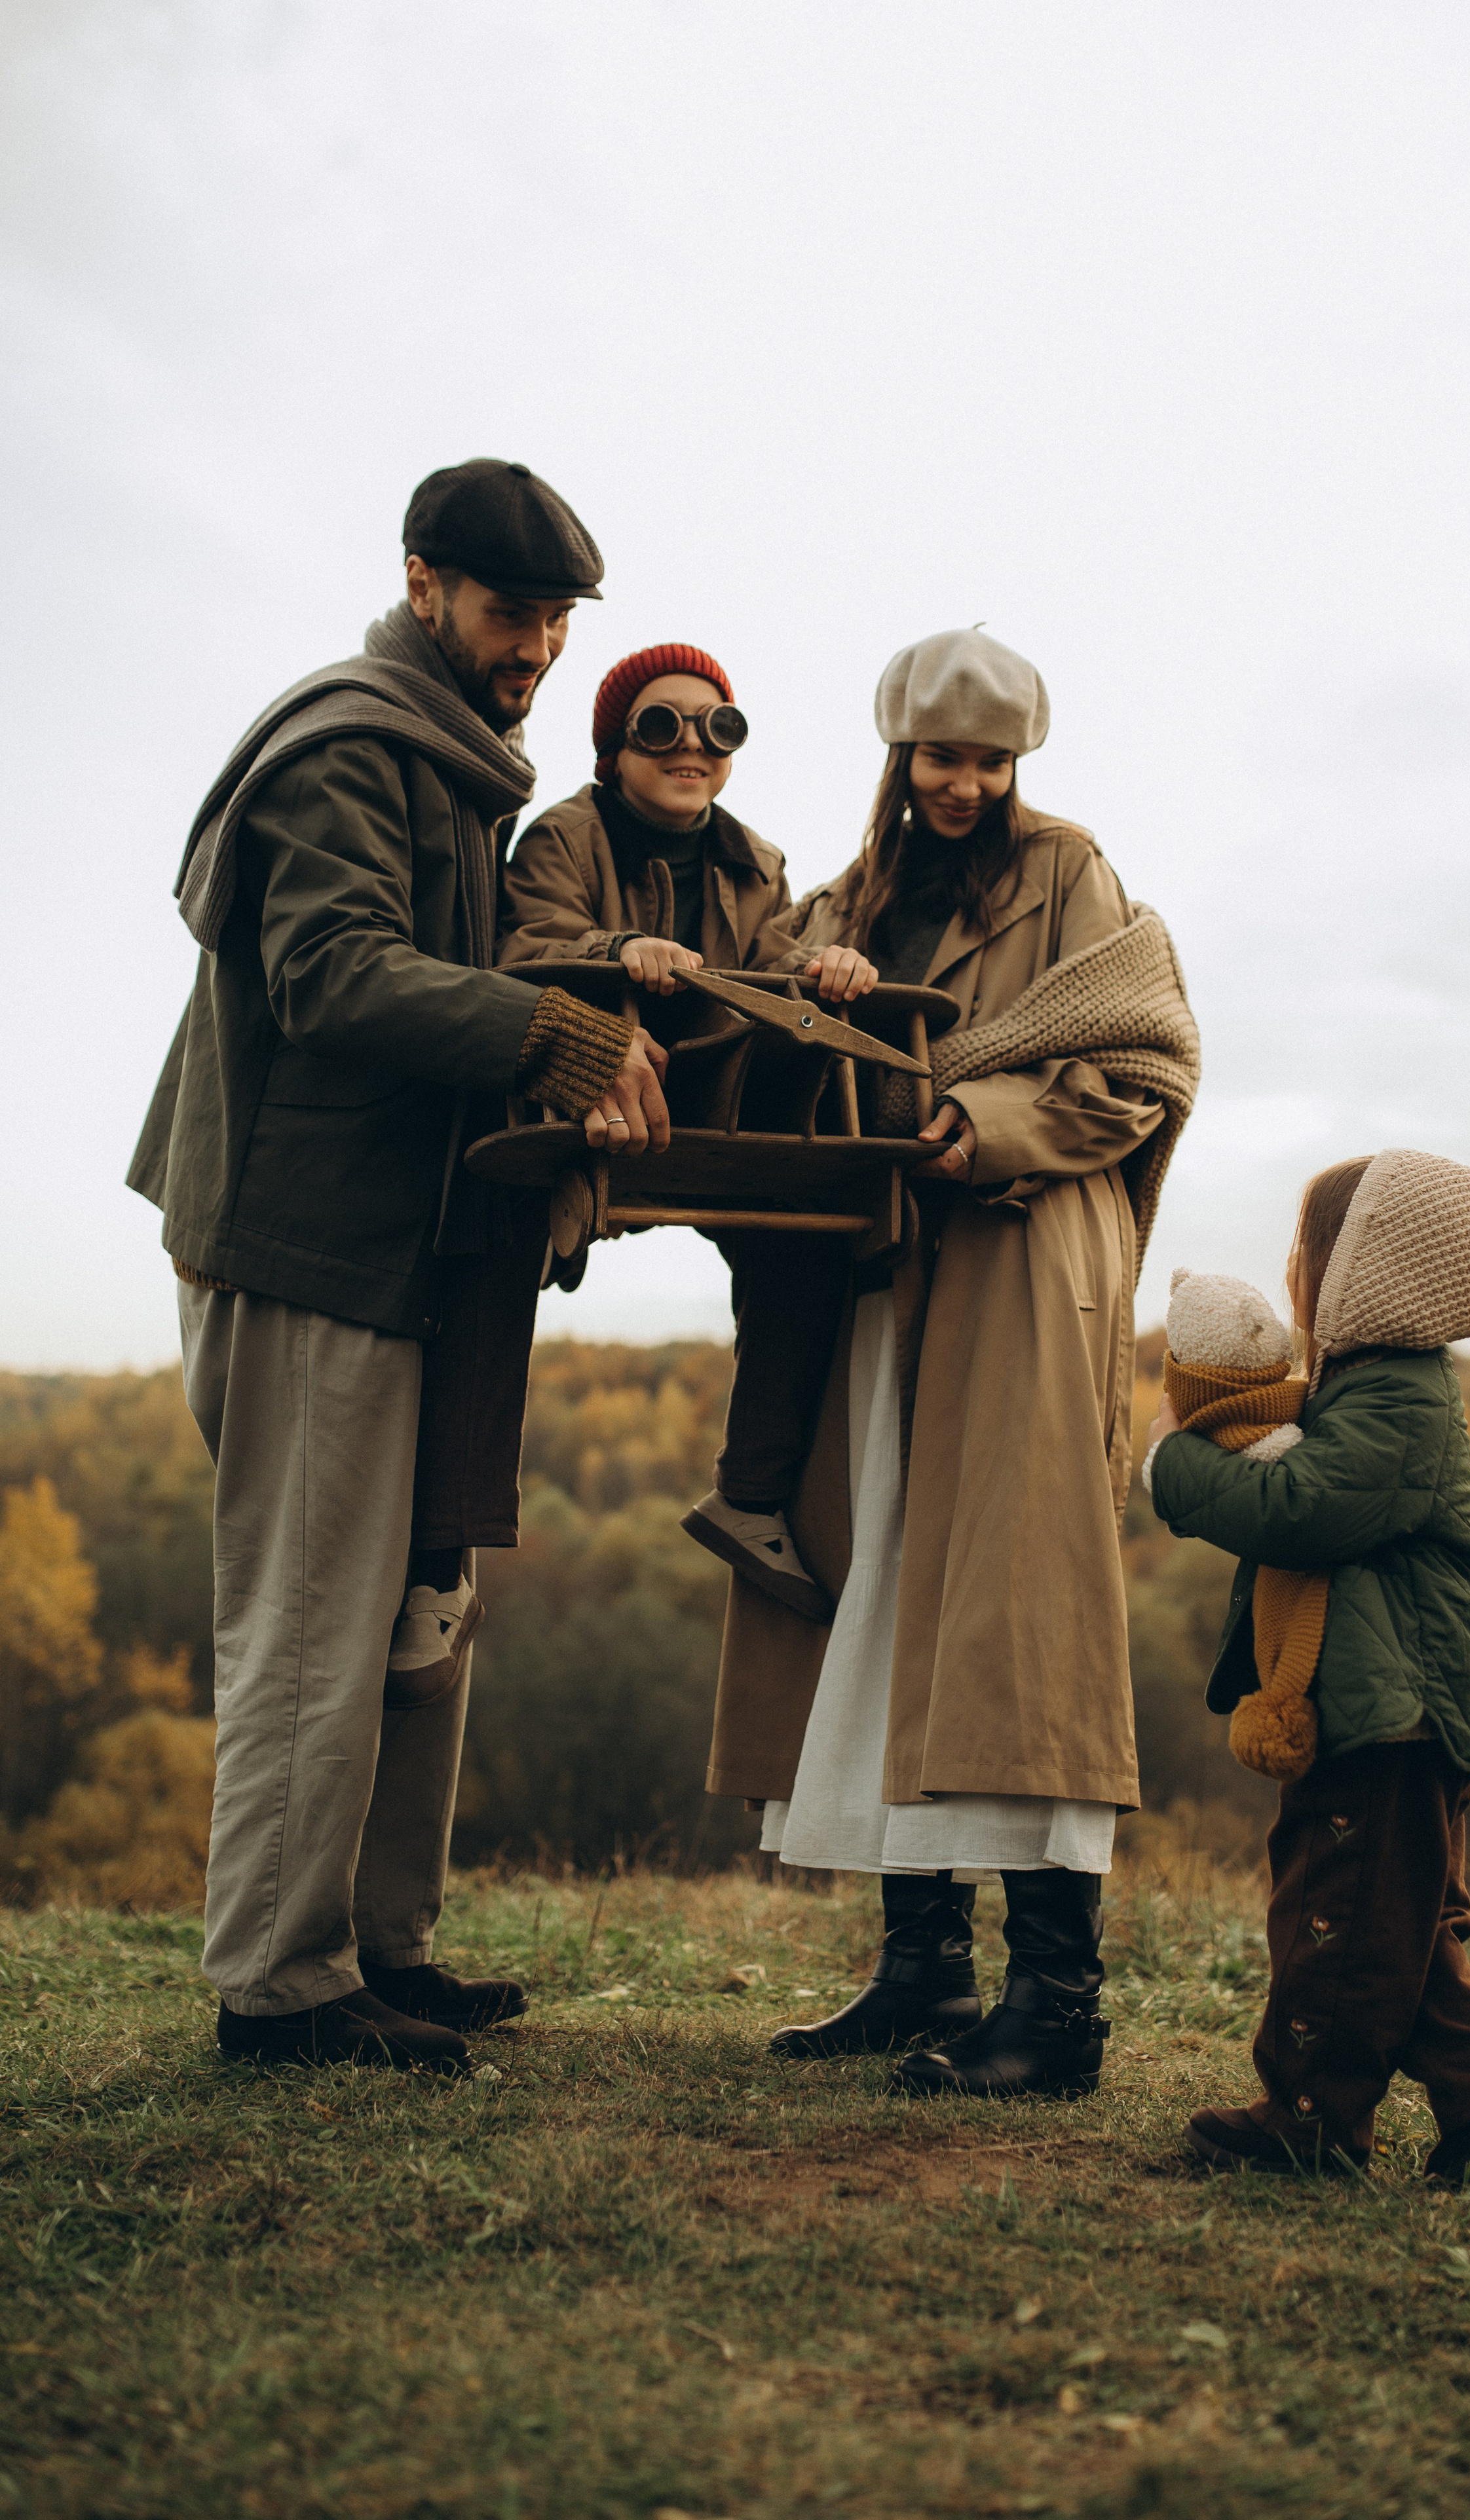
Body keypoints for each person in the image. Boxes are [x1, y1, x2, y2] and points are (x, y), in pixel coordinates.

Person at [128, 458, 671, 2071]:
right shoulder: (349, 745)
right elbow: (335, 973)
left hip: (408, 1250)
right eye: (515, 612)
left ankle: (378, 1950)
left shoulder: (460, 759)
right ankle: (280, 1994)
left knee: (420, 1609)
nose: (538, 648)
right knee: (315, 1617)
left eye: (560, 622)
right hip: (303, 1245)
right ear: (424, 580)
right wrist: (556, 1037)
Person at [706, 627, 1201, 2099]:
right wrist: (818, 988)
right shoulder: (847, 894)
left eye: (987, 761)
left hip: (1013, 1263)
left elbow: (1134, 1061)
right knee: (886, 1595)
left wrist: (981, 1128)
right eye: (940, 757)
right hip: (877, 1281)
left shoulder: (1073, 876)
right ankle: (921, 1970)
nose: (963, 783)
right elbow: (758, 1026)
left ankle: (1057, 2009)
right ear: (900, 754)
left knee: (1011, 1617)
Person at [1146, 1149, 1470, 2185]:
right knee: (1397, 1917)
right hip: (1380, 1704)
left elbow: (1305, 1509)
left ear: (1355, 1269)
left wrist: (1176, 1458)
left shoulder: (1400, 1395)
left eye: (1305, 1246)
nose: (1292, 1266)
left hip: (1396, 1713)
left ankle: (1311, 2120)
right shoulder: (1364, 1386)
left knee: (1337, 1915)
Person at [499, 643, 876, 1619]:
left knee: (809, 1239)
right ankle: (447, 1529)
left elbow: (777, 963)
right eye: (660, 726)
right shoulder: (563, 840)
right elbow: (522, 945)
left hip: (714, 1096)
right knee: (484, 1255)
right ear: (614, 748)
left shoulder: (757, 862)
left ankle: (751, 1495)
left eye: (719, 727)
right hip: (585, 1096)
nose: (692, 748)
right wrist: (616, 951)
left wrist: (825, 971)